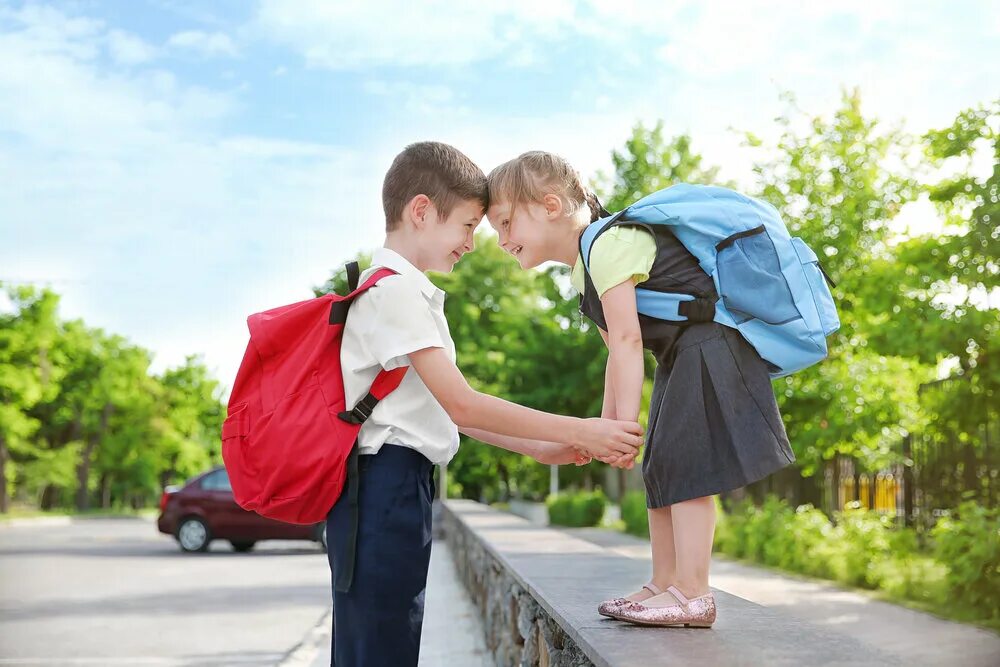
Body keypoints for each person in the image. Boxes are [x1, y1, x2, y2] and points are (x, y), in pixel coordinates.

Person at [328, 141, 643, 665]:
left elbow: (441, 410)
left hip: (394, 487)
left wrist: (541, 448)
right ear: (421, 211)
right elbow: (464, 406)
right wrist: (581, 431)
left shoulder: (403, 292)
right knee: (378, 650)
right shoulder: (395, 292)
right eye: (470, 225)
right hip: (382, 488)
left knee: (385, 644)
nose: (474, 244)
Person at [485, 151, 796, 628]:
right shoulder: (584, 267)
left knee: (688, 461)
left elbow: (629, 340)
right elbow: (617, 353)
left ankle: (693, 593)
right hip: (683, 352)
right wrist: (604, 432)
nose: (502, 240)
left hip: (710, 344)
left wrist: (621, 426)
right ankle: (664, 583)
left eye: (506, 223)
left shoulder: (609, 244)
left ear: (550, 205)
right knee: (660, 462)